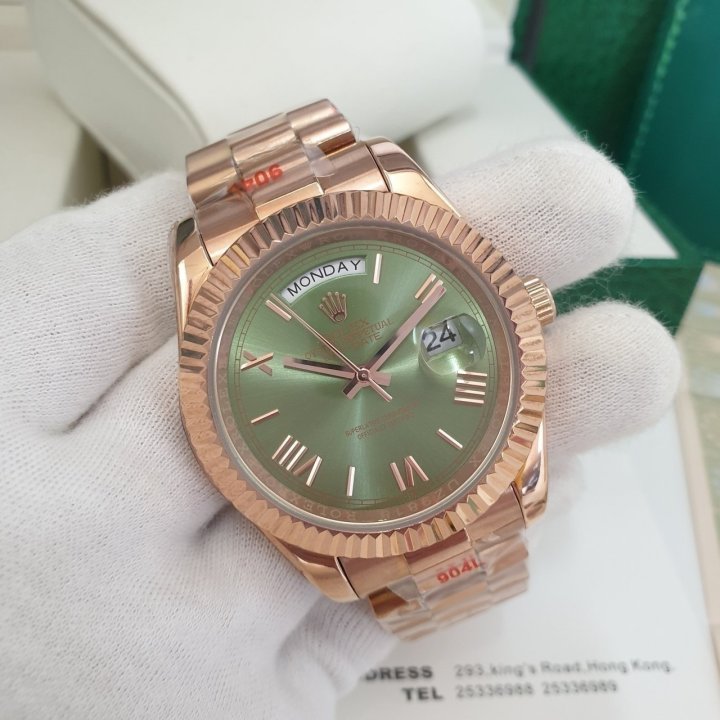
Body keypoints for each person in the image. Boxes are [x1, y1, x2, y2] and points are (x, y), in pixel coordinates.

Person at [0, 140, 679, 719]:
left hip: (455, 456)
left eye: (368, 371)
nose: (365, 379)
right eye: (358, 375)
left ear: (520, 305)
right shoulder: (237, 423)